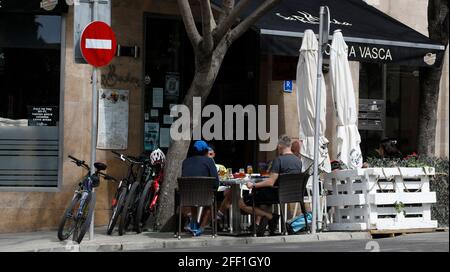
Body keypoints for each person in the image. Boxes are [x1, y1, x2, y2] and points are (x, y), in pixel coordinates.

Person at [246, 135, 303, 234]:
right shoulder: (298, 161)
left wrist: (253, 185)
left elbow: (270, 182)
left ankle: (270, 218)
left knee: (243, 201)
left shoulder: (279, 160)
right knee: (264, 195)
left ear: (280, 145)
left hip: (279, 195)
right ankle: (260, 227)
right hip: (293, 194)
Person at [181, 140, 219, 236]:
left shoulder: (185, 162)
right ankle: (201, 228)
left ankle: (194, 223)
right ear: (206, 151)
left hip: (187, 197)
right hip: (204, 196)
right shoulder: (209, 161)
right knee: (210, 203)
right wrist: (215, 188)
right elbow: (216, 182)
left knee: (194, 195)